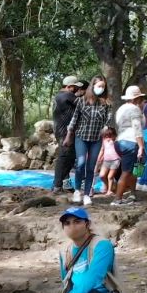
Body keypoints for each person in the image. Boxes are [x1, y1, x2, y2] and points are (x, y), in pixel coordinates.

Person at [64, 75, 112, 206]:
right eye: (98, 86)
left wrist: (106, 127)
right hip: (81, 137)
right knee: (80, 163)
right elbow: (74, 119)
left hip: (96, 139)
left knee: (91, 167)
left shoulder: (106, 103)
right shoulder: (82, 100)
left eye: (103, 86)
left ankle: (86, 194)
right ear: (93, 86)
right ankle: (77, 191)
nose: (101, 88)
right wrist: (69, 135)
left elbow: (108, 120)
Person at [112, 86, 146, 206]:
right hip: (131, 142)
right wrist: (141, 146)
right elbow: (137, 128)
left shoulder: (120, 109)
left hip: (120, 141)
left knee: (134, 168)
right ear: (137, 98)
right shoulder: (135, 110)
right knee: (126, 171)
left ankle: (132, 193)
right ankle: (117, 198)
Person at [51, 75, 81, 194]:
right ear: (69, 87)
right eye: (75, 87)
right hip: (65, 133)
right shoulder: (67, 95)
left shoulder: (58, 96)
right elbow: (84, 104)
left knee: (69, 158)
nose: (76, 90)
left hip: (60, 131)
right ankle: (57, 185)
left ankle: (63, 185)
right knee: (65, 158)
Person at [95, 126, 120, 197]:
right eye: (106, 136)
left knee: (110, 176)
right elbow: (102, 150)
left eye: (110, 136)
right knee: (102, 175)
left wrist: (113, 141)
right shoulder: (104, 141)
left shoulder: (116, 141)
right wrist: (99, 157)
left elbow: (119, 150)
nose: (108, 138)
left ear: (114, 135)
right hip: (106, 161)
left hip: (115, 160)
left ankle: (109, 191)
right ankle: (108, 186)